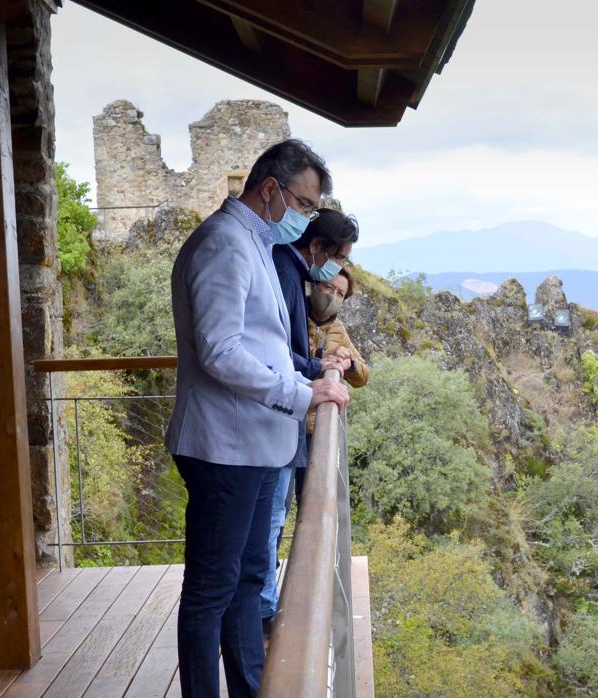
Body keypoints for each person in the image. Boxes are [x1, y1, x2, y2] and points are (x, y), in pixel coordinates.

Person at [164, 139, 349, 698]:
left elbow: (265, 345)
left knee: (245, 580)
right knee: (211, 589)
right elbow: (220, 351)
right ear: (270, 189)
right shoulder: (224, 245)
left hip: (247, 444)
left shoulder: (254, 242)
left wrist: (311, 383)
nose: (308, 217)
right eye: (305, 203)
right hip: (224, 447)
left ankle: (248, 686)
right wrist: (300, 395)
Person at [261, 207, 358, 636]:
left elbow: (362, 369)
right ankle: (267, 607)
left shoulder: (289, 271)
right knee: (273, 520)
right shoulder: (286, 274)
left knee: (279, 518)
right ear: (318, 247)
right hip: (278, 422)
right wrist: (319, 367)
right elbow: (279, 353)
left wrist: (340, 363)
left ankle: (267, 600)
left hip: (288, 423)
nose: (337, 272)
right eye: (338, 259)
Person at [292, 265, 369, 506]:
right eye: (328, 287)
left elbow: (363, 376)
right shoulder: (292, 316)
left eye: (339, 293)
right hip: (285, 418)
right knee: (277, 503)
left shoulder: (337, 329)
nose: (332, 296)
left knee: (312, 496)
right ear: (314, 286)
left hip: (315, 429)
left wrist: (348, 364)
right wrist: (321, 361)